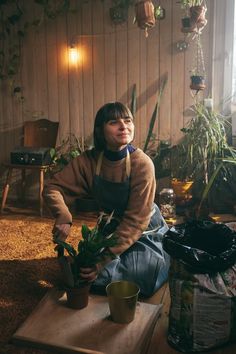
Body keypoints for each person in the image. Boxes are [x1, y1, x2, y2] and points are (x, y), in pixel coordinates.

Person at [43, 102, 170, 297]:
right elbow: (52, 187)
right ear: (100, 130)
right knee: (84, 274)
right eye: (114, 122)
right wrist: (63, 215)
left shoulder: (142, 164)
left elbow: (135, 223)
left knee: (141, 279)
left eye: (127, 121)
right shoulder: (88, 161)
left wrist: (102, 261)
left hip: (144, 231)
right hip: (109, 229)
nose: (123, 126)